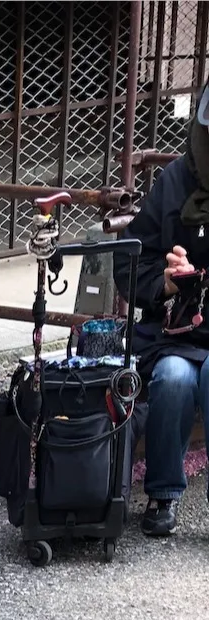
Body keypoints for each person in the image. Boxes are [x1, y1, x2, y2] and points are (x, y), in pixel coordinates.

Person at [114, 81, 209, 537]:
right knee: (172, 378)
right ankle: (162, 493)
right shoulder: (175, 181)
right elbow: (128, 261)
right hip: (178, 334)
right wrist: (169, 281)